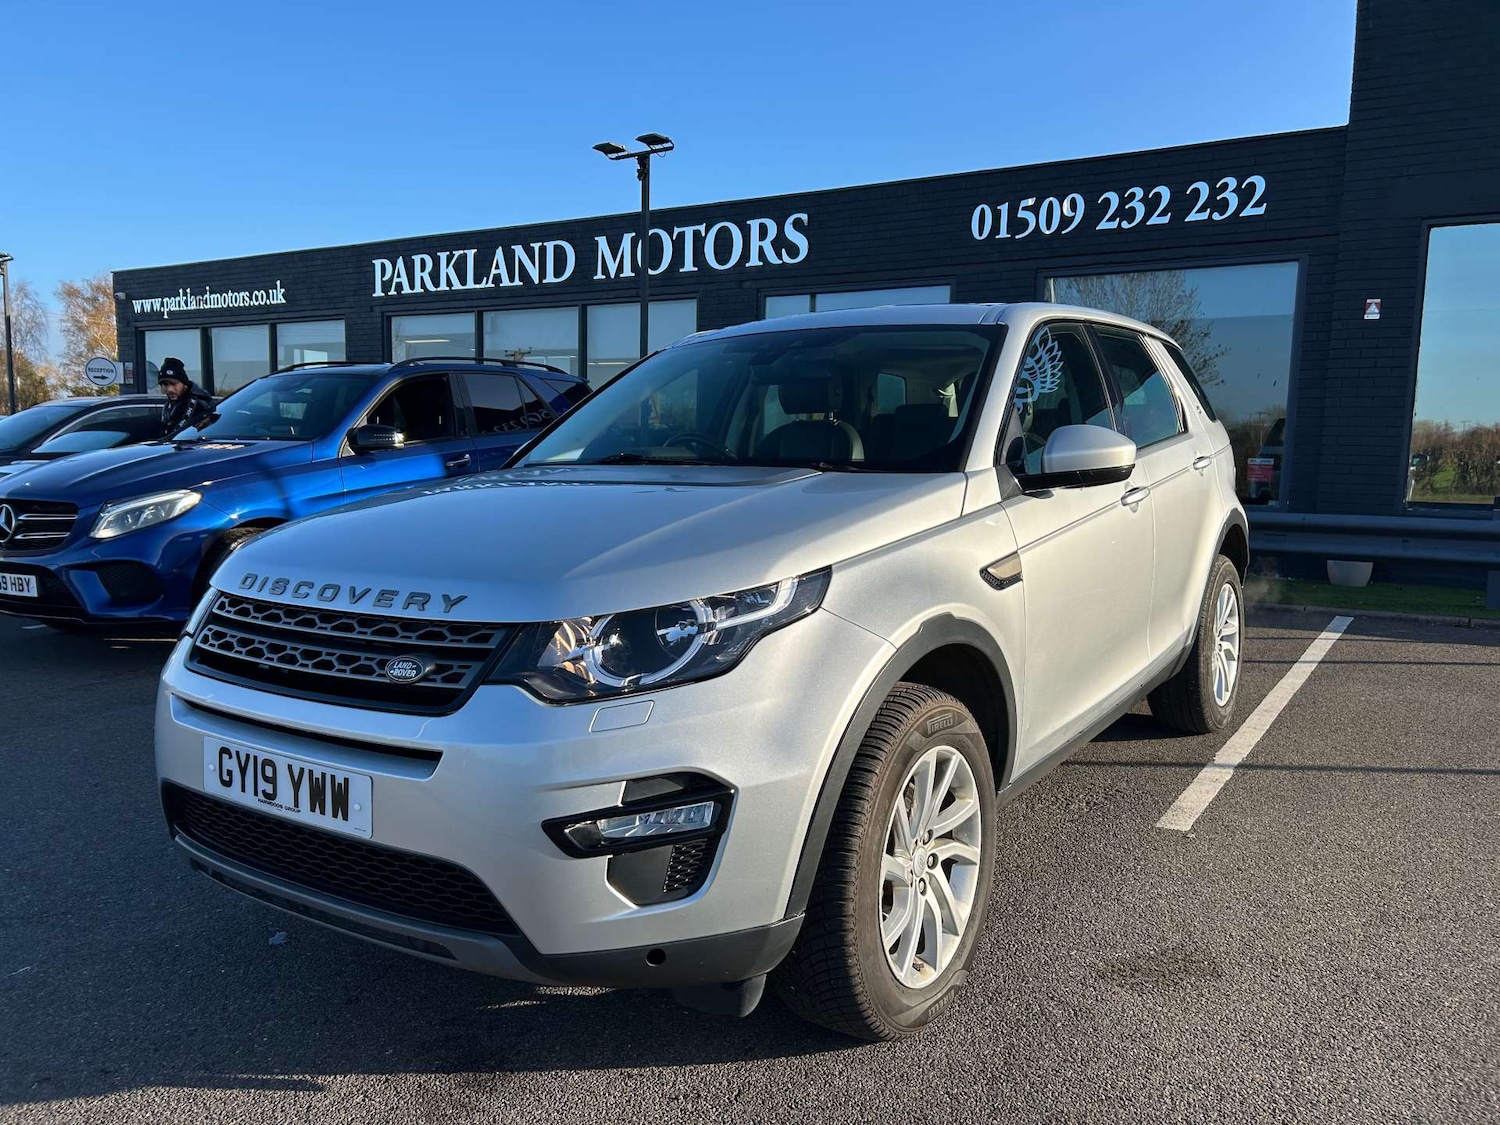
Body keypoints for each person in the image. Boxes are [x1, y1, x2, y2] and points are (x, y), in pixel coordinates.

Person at [157, 358, 214, 439]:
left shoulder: (200, 406)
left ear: (184, 384)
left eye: (174, 384)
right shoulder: (169, 406)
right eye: (165, 384)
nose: (170, 389)